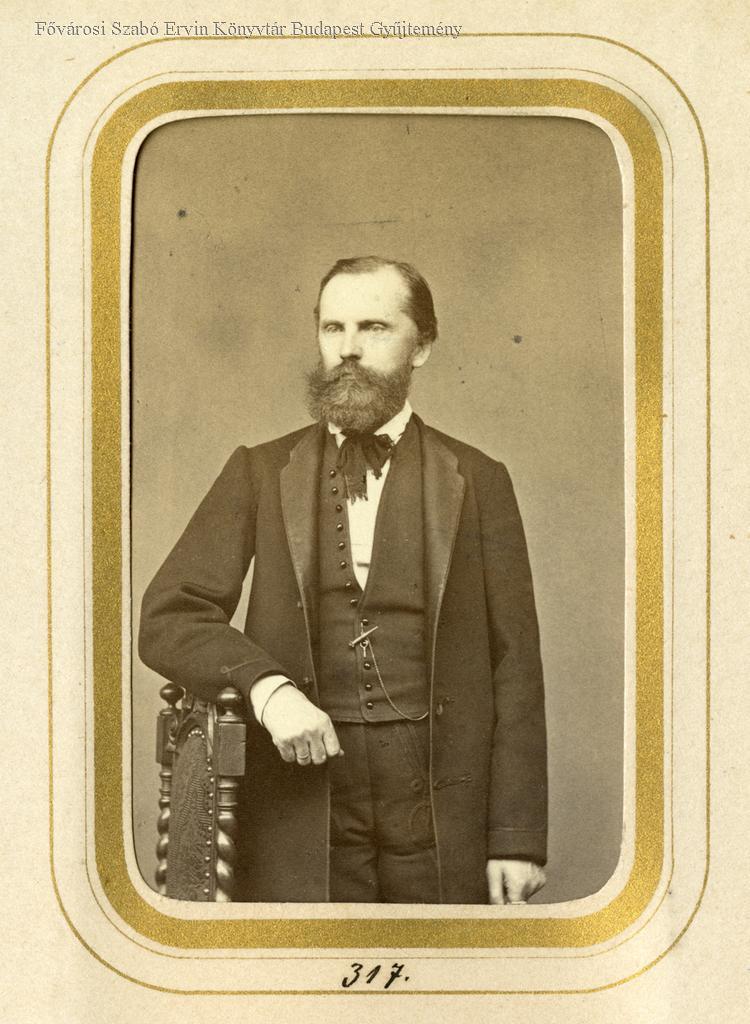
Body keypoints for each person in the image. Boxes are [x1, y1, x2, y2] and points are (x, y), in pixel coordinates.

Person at [139, 255, 548, 905]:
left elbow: (515, 664)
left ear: (423, 347)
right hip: (300, 806)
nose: (349, 349)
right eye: (334, 328)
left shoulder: (479, 479)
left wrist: (516, 838)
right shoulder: (259, 471)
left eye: (374, 328)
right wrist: (268, 689)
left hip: (442, 813)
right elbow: (169, 615)